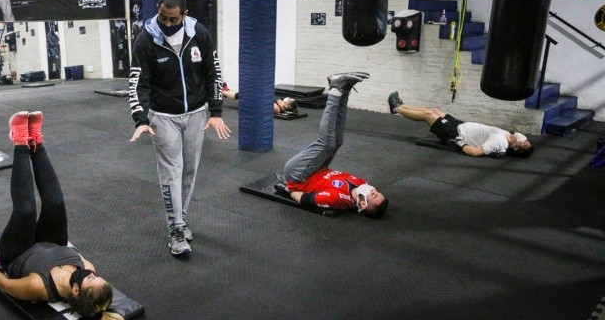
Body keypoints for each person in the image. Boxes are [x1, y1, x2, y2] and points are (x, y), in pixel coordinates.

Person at [0, 111, 130, 320]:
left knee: (25, 211)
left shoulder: (38, 288)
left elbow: (4, 285)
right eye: (96, 276)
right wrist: (68, 248)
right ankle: (36, 140)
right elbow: (76, 255)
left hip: (18, 251)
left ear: (75, 290)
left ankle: (20, 141)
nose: (91, 272)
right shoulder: (87, 270)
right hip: (52, 243)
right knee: (55, 204)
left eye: (91, 279)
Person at [128, 0, 231, 257]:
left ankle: (181, 219)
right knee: (172, 171)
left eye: (174, 19)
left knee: (190, 170)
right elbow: (139, 83)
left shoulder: (200, 34)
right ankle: (174, 228)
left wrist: (216, 111)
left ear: (183, 15)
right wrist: (140, 118)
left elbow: (213, 72)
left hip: (197, 112)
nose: (168, 23)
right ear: (158, 12)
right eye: (164, 17)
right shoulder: (145, 40)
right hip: (163, 116)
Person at [276, 72, 388, 218]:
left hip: (297, 176)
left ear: (362, 204)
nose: (373, 190)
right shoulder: (361, 183)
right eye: (377, 192)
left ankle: (335, 90)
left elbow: (303, 199)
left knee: (327, 144)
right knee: (337, 141)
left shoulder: (338, 199)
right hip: (317, 170)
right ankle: (344, 91)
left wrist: (288, 190)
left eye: (373, 195)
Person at [387, 91, 534, 158]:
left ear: (515, 147)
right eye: (527, 141)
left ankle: (396, 108)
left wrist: (460, 142)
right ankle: (403, 106)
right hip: (459, 124)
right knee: (433, 110)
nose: (524, 139)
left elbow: (476, 152)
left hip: (455, 133)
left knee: (428, 116)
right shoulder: (507, 136)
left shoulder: (499, 142)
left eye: (524, 143)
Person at [221, 84, 298, 115]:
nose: (288, 97)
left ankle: (222, 91)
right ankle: (226, 91)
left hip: (255, 100)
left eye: (289, 99)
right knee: (239, 93)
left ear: (287, 104)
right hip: (259, 96)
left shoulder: (277, 108)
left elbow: (263, 106)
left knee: (238, 95)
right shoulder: (281, 103)